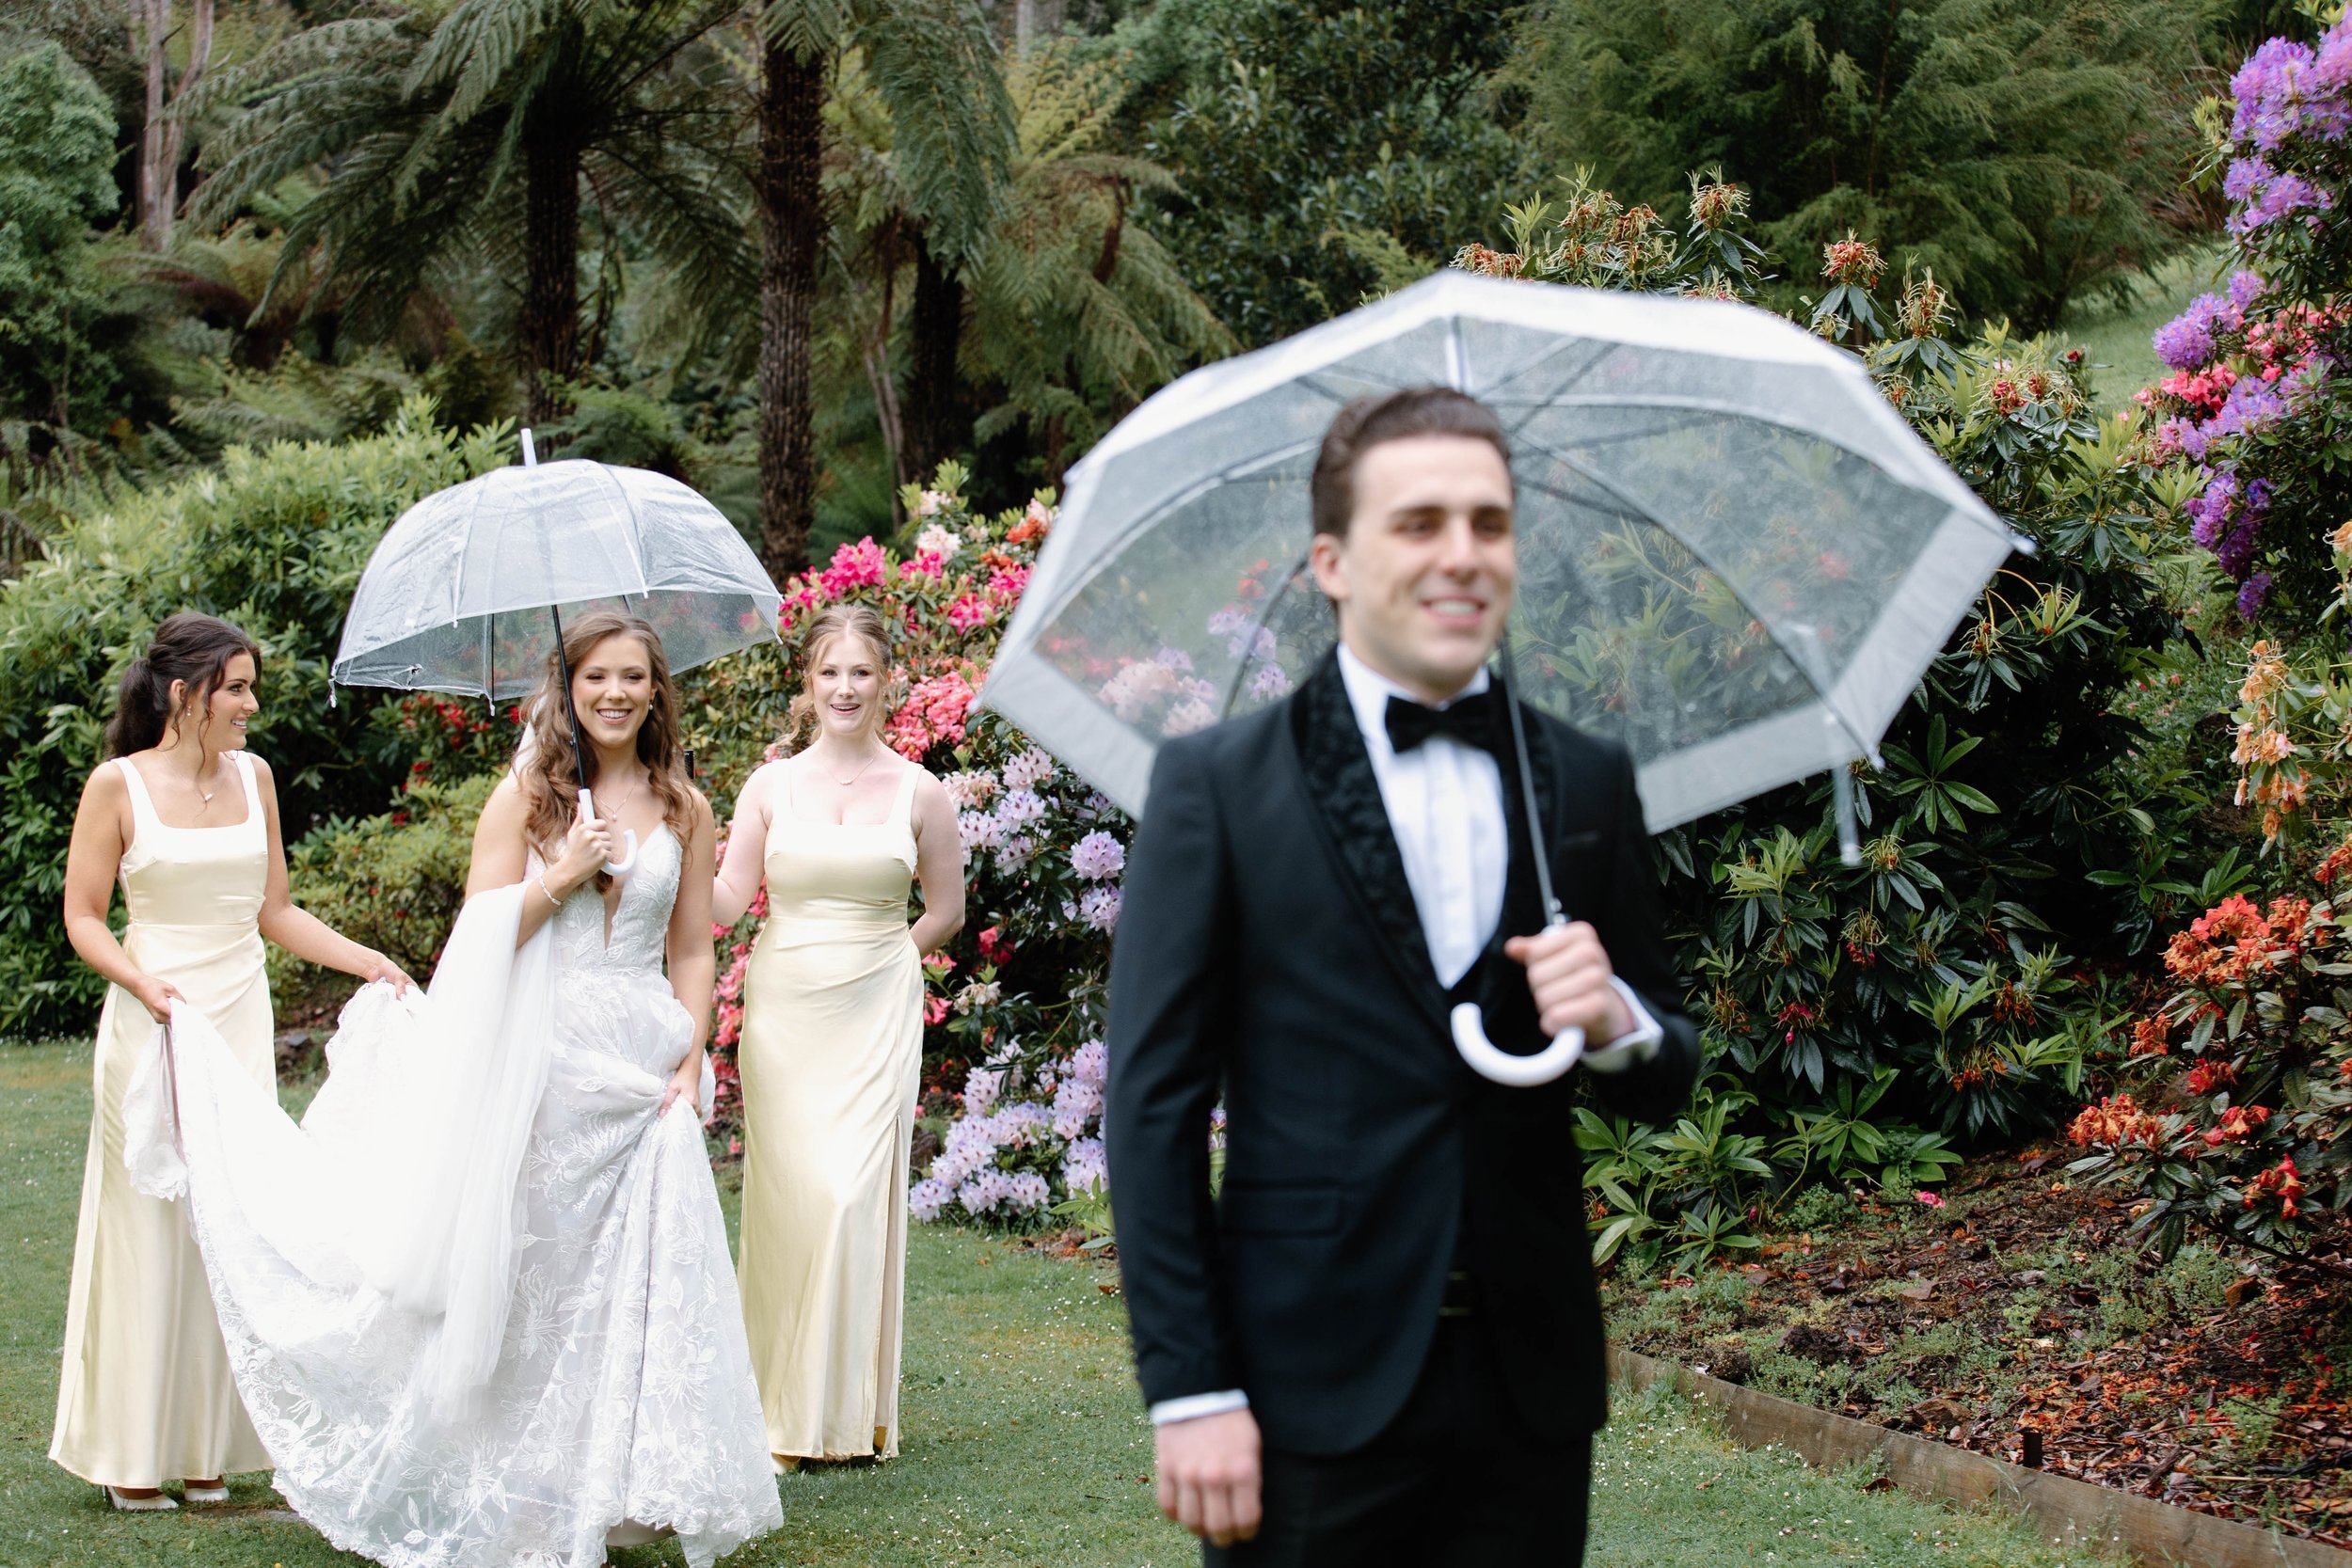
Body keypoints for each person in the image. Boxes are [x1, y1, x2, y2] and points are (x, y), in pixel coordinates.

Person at [1104, 387, 1702, 1564]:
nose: (1463, 555)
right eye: (1419, 522)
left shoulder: (1583, 780)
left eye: (1490, 522)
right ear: (1331, 560)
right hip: (1300, 1386)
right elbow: (1154, 1105)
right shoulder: (1218, 784)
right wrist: (1190, 1388)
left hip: (1529, 1393)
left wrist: (1619, 1017)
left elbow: (1664, 1071)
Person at [115, 610, 782, 1566]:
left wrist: (692, 1051)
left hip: (643, 1066)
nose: (615, 693)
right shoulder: (529, 794)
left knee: (638, 1280)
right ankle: (527, 1489)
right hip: (543, 1063)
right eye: (597, 676)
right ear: (570, 685)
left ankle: (626, 1482)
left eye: (634, 676)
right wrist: (563, 875)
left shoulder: (684, 802)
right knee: (539, 1280)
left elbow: (690, 942)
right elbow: (477, 937)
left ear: (656, 690)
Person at [55, 610, 411, 1511]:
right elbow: (84, 916)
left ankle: (212, 1450)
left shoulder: (256, 778)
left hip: (238, 1019)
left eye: (252, 686)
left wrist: (364, 958)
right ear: (185, 694)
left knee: (236, 1229)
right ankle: (132, 1454)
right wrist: (140, 982)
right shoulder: (116, 785)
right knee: (152, 1228)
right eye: (238, 687)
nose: (253, 703)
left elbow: (275, 911)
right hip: (157, 1023)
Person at [713, 603, 963, 1466]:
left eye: (861, 671)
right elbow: (721, 904)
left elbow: (945, 910)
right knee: (793, 1200)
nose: (845, 688)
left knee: (852, 1195)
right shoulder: (768, 787)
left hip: (876, 1008)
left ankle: (845, 1418)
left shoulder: (922, 792)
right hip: (784, 1014)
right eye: (829, 672)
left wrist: (893, 955)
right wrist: (661, 851)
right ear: (807, 683)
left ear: (887, 679)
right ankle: (777, 1416)